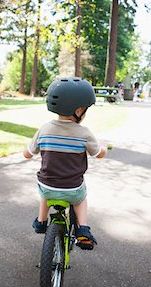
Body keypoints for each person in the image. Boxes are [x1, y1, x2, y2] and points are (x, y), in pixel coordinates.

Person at [23, 77, 108, 250]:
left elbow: (27, 154)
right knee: (81, 199)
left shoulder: (44, 129)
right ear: (78, 110)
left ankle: (41, 222)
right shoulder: (84, 133)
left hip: (47, 186)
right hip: (72, 189)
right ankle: (83, 230)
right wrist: (104, 148)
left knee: (44, 193)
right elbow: (98, 154)